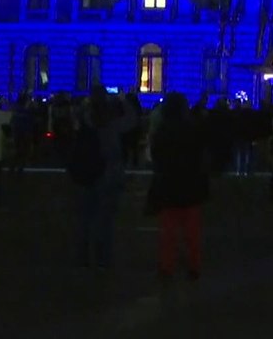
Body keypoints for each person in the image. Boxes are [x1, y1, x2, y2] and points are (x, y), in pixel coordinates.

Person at [73, 87, 137, 269]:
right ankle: (102, 258)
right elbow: (132, 120)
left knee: (85, 218)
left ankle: (82, 256)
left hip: (87, 173)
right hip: (109, 176)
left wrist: (86, 104)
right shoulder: (112, 124)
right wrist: (123, 100)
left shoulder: (85, 120)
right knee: (105, 220)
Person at [149, 93, 209, 280]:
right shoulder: (193, 129)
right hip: (191, 185)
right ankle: (194, 266)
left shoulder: (162, 130)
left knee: (168, 231)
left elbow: (156, 156)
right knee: (192, 231)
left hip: (168, 185)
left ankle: (167, 267)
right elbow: (202, 156)